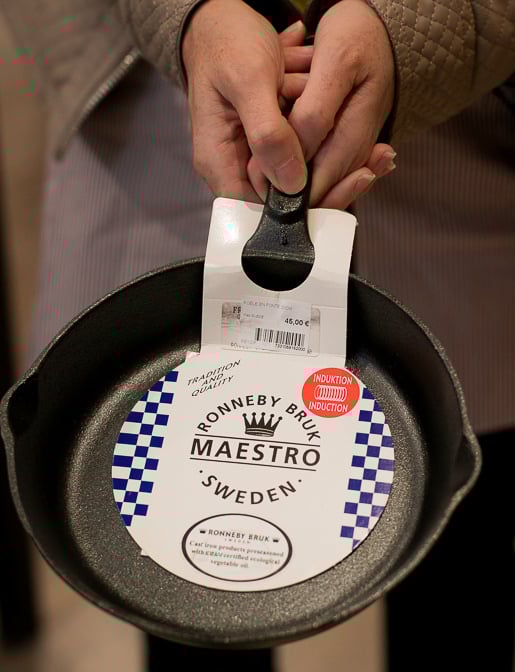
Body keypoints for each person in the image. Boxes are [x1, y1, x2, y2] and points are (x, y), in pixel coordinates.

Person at [0, 0, 513, 670]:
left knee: (457, 544)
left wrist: (422, 27)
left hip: (466, 131)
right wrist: (189, 18)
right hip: (162, 115)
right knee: (187, 589)